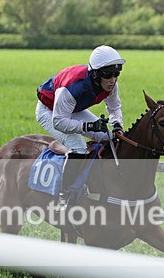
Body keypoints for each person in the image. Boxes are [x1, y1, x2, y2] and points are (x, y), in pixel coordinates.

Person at [36, 45, 125, 207]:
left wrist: (118, 126)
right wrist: (89, 127)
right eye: (108, 74)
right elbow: (59, 121)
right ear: (96, 74)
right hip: (49, 111)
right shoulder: (72, 87)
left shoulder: (111, 85)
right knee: (78, 146)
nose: (113, 79)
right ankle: (64, 194)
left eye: (116, 74)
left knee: (109, 137)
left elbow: (114, 108)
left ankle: (96, 183)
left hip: (73, 109)